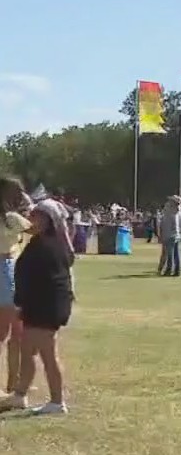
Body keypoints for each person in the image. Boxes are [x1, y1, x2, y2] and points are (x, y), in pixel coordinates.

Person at [1, 199, 75, 415]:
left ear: (50, 219)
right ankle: (19, 395)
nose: (32, 219)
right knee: (27, 350)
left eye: (38, 216)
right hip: (36, 306)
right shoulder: (42, 241)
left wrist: (24, 303)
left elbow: (50, 282)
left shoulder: (50, 244)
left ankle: (57, 402)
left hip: (46, 307)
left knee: (48, 354)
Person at [0, 176, 31, 395]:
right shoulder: (12, 219)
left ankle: (13, 383)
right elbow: (39, 229)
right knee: (15, 333)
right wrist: (28, 206)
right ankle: (13, 383)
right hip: (8, 271)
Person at [158, 196, 181, 277]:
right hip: (176, 235)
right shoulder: (179, 213)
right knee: (176, 254)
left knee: (170, 254)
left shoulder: (170, 211)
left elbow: (165, 223)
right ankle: (177, 270)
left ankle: (169, 270)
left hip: (169, 235)